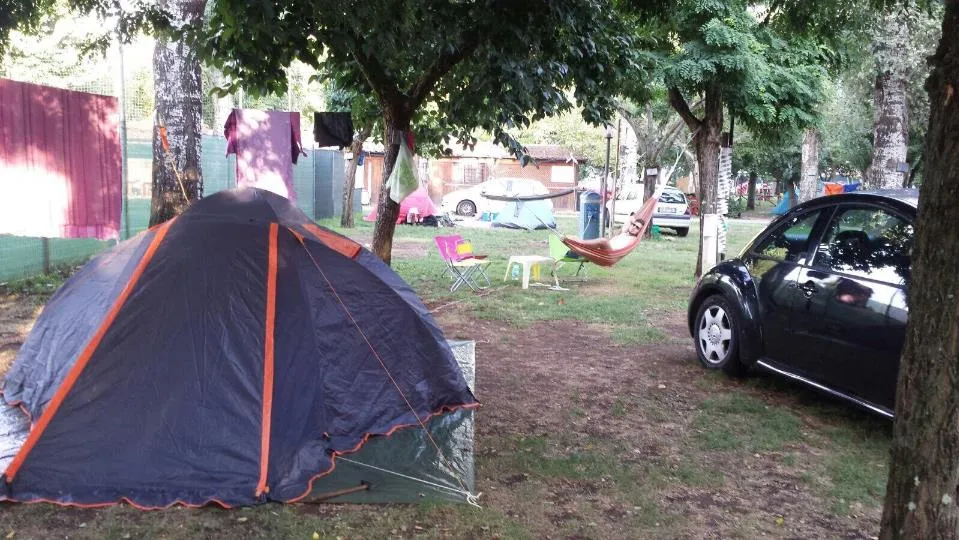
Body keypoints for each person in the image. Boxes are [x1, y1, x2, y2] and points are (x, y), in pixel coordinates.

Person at [566, 213, 646, 251]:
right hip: (605, 249)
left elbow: (628, 247)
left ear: (640, 231)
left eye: (637, 227)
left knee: (603, 241)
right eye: (633, 225)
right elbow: (631, 218)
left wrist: (640, 229)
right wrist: (634, 222)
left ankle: (580, 243)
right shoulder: (624, 233)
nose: (634, 227)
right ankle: (577, 246)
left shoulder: (634, 239)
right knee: (600, 242)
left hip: (613, 253)